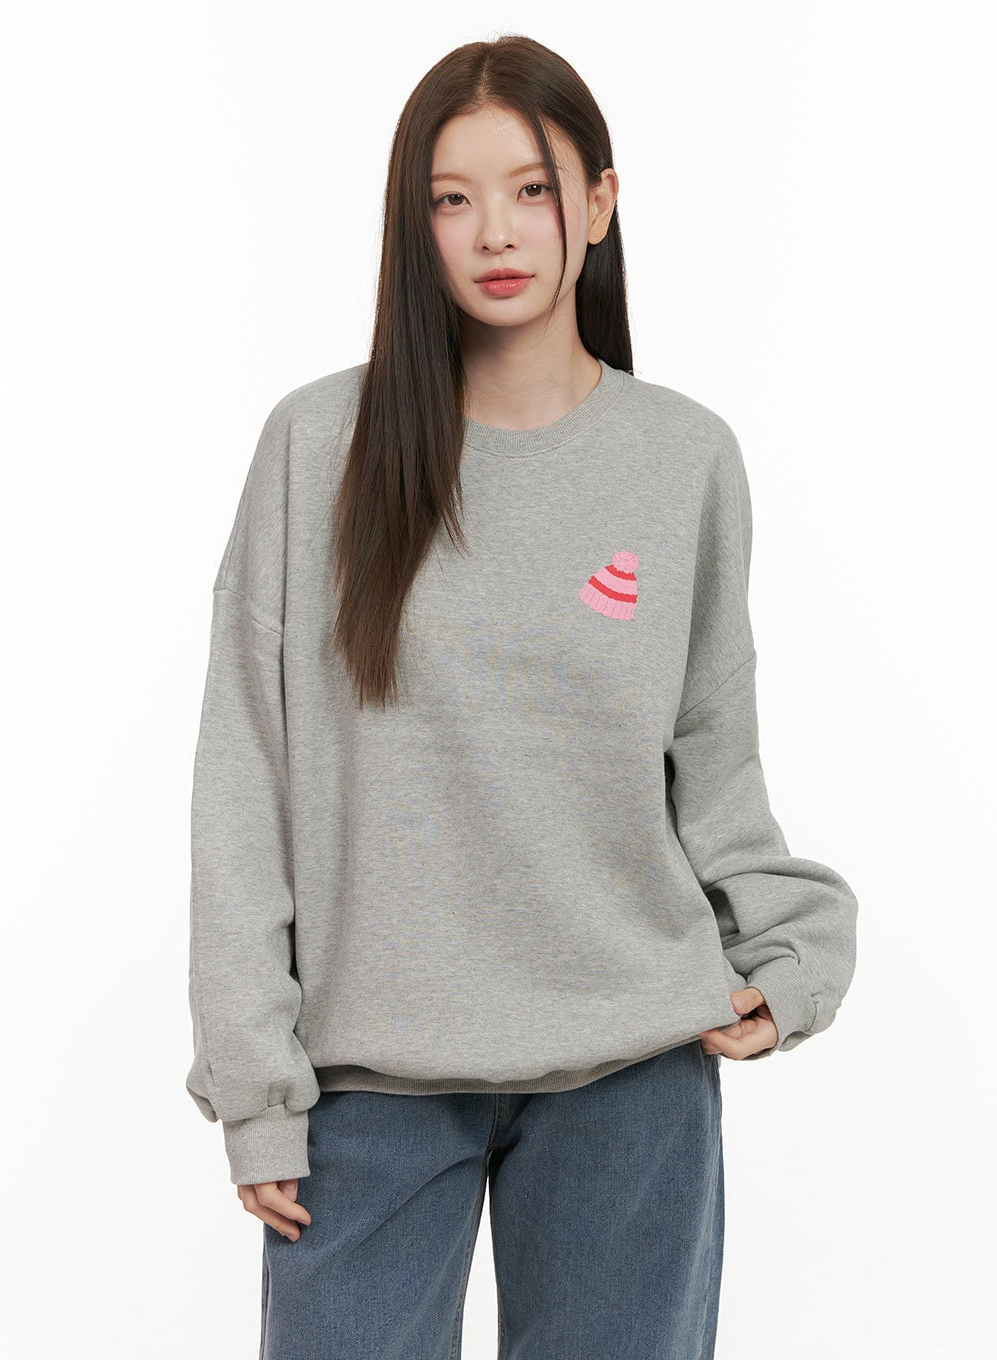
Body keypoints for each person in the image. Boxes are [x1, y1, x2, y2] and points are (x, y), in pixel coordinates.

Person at [185, 33, 859, 1360]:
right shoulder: (318, 446)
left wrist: (795, 957)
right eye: (452, 197)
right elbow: (243, 783)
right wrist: (258, 1090)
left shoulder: (683, 459)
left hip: (631, 1079)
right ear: (415, 223)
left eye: (532, 188)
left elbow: (715, 768)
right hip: (366, 1087)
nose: (494, 230)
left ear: (598, 203)